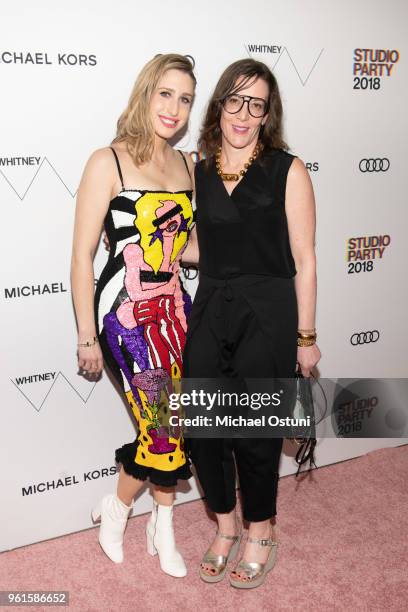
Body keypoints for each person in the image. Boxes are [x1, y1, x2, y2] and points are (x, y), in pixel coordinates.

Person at [182, 58, 321, 588]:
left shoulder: (289, 169)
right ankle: (224, 524)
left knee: (256, 432)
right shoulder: (198, 167)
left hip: (268, 312)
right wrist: (153, 248)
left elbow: (304, 258)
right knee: (202, 427)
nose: (243, 114)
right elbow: (205, 246)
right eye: (234, 101)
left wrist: (306, 339)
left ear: (268, 114)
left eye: (256, 104)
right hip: (212, 305)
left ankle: (260, 529)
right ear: (219, 105)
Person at [70, 53, 196, 578]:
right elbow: (81, 256)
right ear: (145, 94)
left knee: (173, 421)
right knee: (162, 423)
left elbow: (188, 250)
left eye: (185, 98)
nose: (174, 107)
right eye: (165, 93)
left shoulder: (187, 165)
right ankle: (129, 513)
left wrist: (256, 254)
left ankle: (143, 516)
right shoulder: (109, 162)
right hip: (124, 313)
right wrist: (85, 337)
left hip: (176, 307)